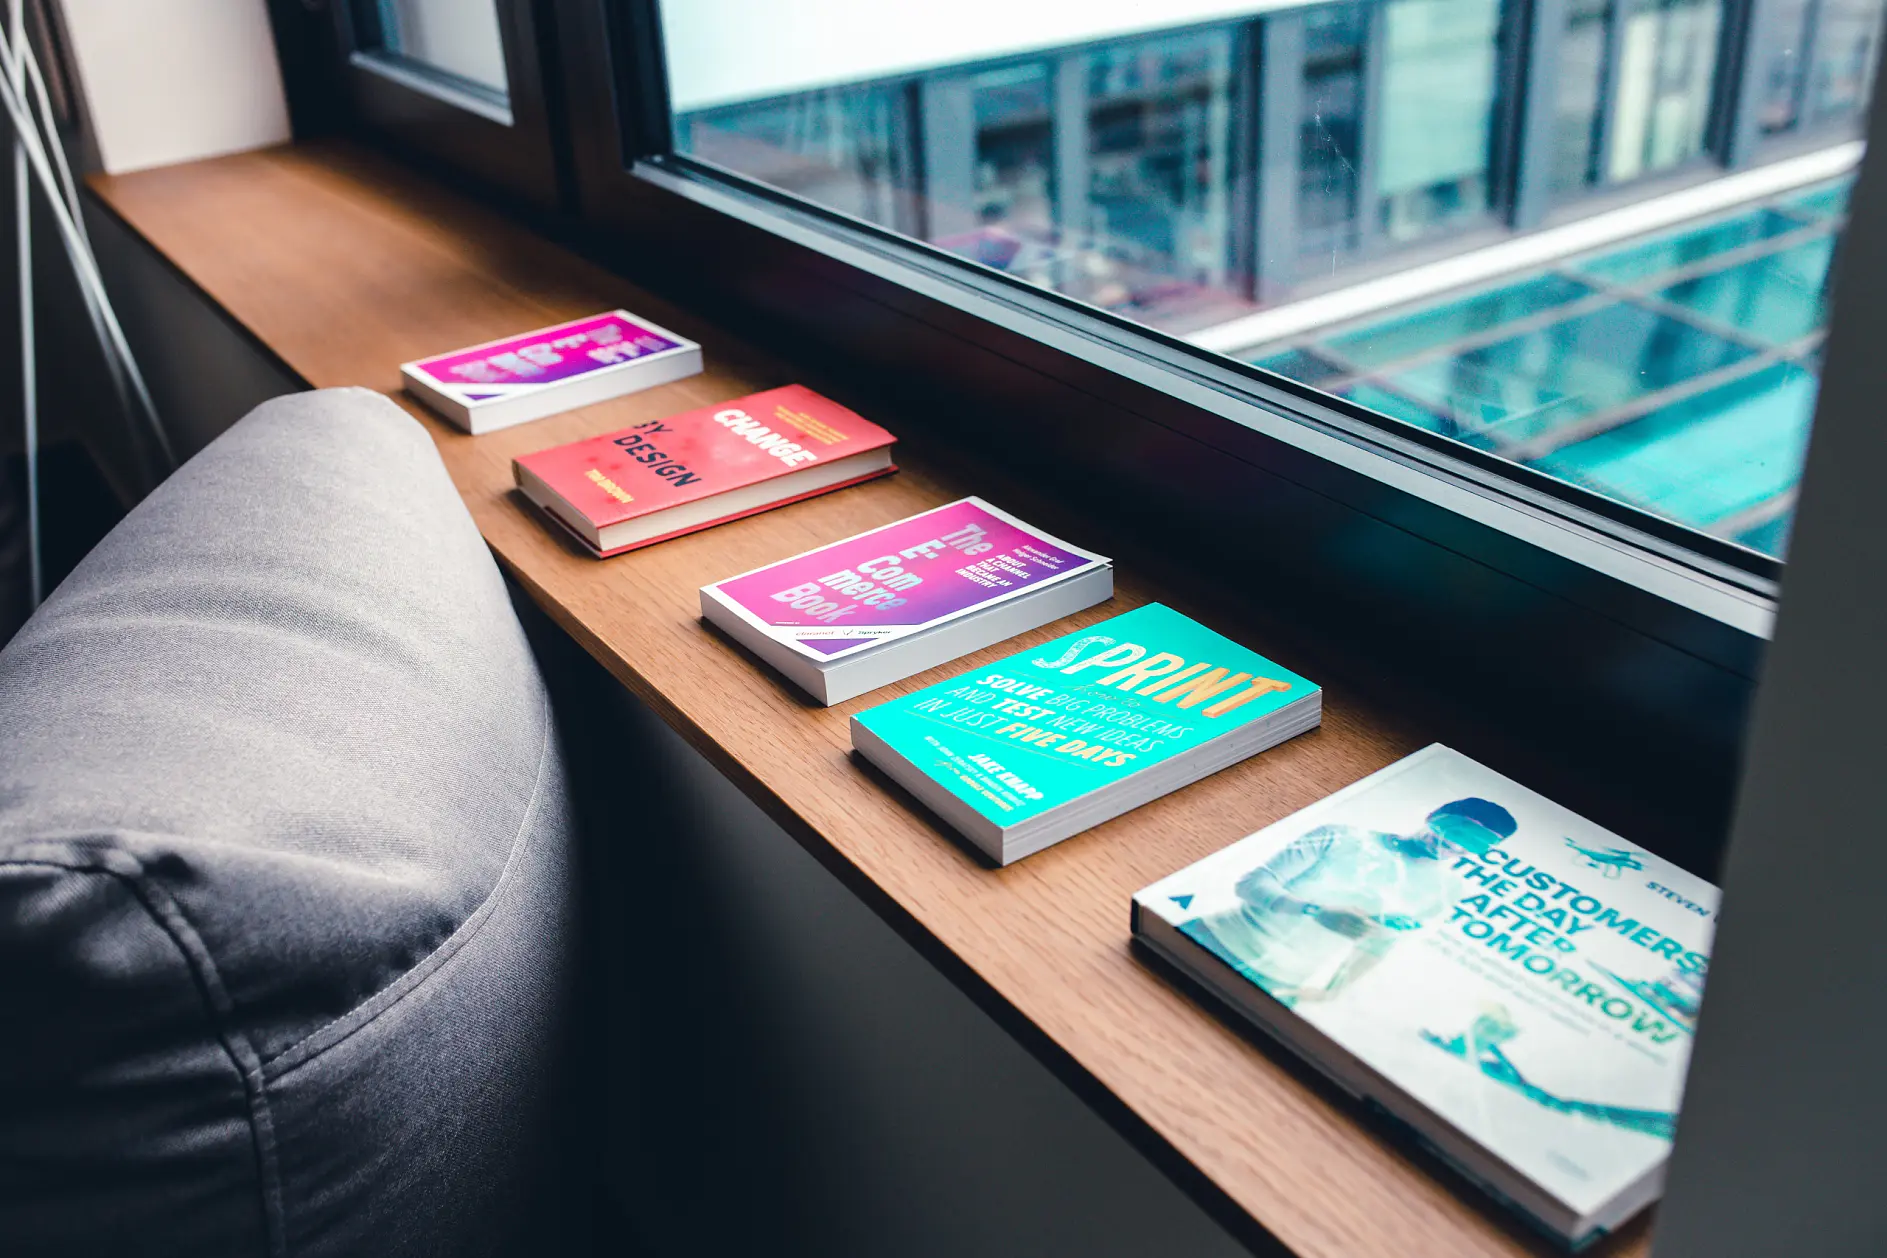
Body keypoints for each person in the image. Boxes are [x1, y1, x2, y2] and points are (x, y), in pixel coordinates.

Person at [1183, 796, 1516, 1007]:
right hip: (1210, 938)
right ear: (1433, 815)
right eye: (1453, 831)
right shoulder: (1341, 836)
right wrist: (1313, 910)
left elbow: (1379, 945)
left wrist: (1332, 991)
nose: (1454, 845)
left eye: (1472, 844)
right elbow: (1251, 884)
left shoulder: (1446, 889)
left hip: (1278, 984)